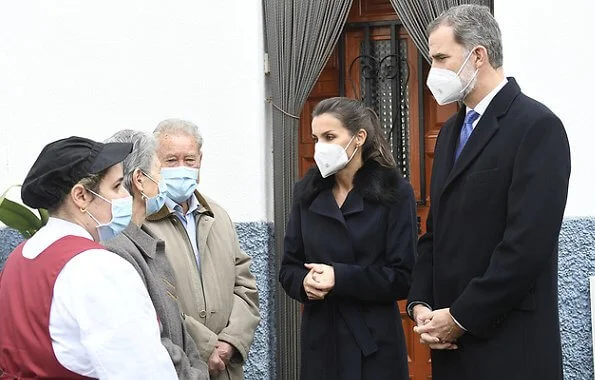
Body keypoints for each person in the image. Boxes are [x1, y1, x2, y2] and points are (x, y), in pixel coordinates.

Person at [407, 5, 571, 380]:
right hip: (452, 349)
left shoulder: (536, 126)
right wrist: (421, 304)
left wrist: (462, 316)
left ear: (478, 55)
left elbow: (526, 246)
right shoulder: (450, 132)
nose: (434, 70)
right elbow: (436, 231)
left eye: (441, 58)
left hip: (510, 347)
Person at [0, 136, 178, 379]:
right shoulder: (98, 268)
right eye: (116, 187)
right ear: (81, 196)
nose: (125, 196)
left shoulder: (18, 258)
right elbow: (142, 370)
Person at [279, 97, 417, 380]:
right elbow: (288, 268)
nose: (320, 147)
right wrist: (304, 283)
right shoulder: (306, 194)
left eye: (330, 137)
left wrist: (339, 278)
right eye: (316, 138)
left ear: (359, 138)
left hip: (374, 343)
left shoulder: (395, 193)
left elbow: (402, 276)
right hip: (322, 340)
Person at [143, 119, 260, 380]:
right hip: (178, 367)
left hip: (226, 369)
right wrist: (207, 347)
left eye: (190, 159)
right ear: (153, 163)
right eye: (171, 160)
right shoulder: (142, 224)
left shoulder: (218, 216)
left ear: (201, 161)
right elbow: (152, 301)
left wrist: (230, 342)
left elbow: (244, 286)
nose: (182, 168)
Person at [102, 129, 209, 379]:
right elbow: (150, 340)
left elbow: (178, 329)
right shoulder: (117, 251)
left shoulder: (145, 241)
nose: (164, 182)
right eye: (160, 171)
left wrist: (197, 367)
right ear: (140, 180)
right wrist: (193, 375)